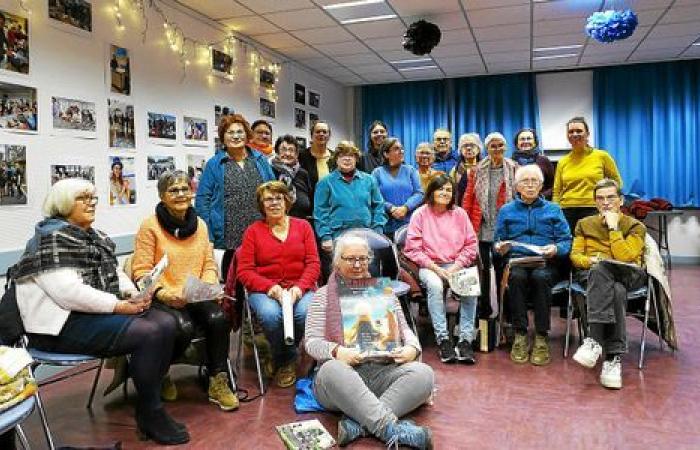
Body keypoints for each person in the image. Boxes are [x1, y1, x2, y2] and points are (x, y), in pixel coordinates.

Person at [10, 179, 187, 445]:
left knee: (167, 321)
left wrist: (131, 294)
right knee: (149, 332)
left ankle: (149, 401)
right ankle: (151, 410)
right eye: (84, 198)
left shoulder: (93, 236)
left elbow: (113, 273)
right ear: (64, 203)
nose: (92, 203)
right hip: (58, 328)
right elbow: (68, 293)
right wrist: (119, 306)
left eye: (93, 197)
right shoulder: (50, 239)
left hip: (89, 317)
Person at [305, 235, 434, 449]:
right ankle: (391, 430)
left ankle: (358, 425)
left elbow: (405, 329)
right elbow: (311, 342)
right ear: (337, 262)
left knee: (424, 374)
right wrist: (337, 351)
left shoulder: (384, 293)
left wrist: (412, 348)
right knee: (331, 369)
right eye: (350, 259)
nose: (358, 265)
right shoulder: (322, 295)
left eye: (363, 259)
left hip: (383, 372)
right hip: (343, 380)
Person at [131, 171, 237, 411]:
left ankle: (217, 380)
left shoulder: (200, 225)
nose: (180, 194)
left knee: (218, 318)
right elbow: (141, 271)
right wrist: (165, 294)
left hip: (194, 293)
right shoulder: (150, 226)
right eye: (173, 190)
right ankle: (159, 373)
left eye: (184, 189)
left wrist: (208, 287)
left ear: (192, 193)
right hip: (163, 296)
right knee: (183, 326)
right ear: (162, 196)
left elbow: (208, 264)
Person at [237, 181, 320, 388]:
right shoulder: (253, 231)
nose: (274, 203)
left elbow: (313, 263)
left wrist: (299, 288)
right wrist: (269, 288)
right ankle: (286, 359)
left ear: (286, 201)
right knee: (271, 315)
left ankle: (283, 354)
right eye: (268, 199)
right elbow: (245, 271)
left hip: (299, 287)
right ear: (261, 204)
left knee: (305, 312)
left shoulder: (303, 227)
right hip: (265, 289)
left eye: (278, 198)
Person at [571, 179, 646, 390]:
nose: (605, 202)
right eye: (600, 198)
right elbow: (576, 256)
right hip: (595, 276)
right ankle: (613, 358)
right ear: (595, 202)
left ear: (621, 200)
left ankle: (593, 339)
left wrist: (613, 227)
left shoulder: (635, 226)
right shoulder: (584, 224)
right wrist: (590, 261)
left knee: (607, 272)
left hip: (628, 274)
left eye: (611, 197)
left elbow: (626, 257)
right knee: (615, 289)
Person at [494, 165, 572, 366]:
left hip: (546, 262)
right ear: (517, 186)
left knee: (540, 277)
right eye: (525, 181)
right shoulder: (506, 210)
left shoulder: (554, 209)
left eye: (534, 181)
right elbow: (497, 241)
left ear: (541, 185)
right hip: (517, 260)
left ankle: (541, 335)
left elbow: (566, 241)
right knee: (517, 277)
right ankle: (520, 333)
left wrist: (556, 249)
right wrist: (500, 247)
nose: (530, 185)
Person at [404, 175, 479, 364]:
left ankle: (465, 341)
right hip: (429, 265)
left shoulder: (460, 214)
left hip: (456, 264)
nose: (445, 193)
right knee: (436, 286)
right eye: (440, 189)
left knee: (470, 287)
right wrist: (435, 268)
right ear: (431, 191)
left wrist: (456, 267)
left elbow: (471, 245)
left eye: (448, 190)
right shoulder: (420, 214)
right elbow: (412, 249)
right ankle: (443, 339)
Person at [195, 113, 274, 278]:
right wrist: (208, 236)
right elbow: (202, 202)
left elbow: (274, 191)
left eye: (240, 131)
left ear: (247, 135)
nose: (236, 136)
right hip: (228, 237)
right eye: (230, 132)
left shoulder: (260, 161)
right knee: (233, 284)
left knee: (262, 279)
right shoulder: (214, 164)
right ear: (223, 138)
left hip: (261, 232)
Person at [462, 132, 518, 319]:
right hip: (482, 227)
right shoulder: (476, 170)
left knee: (504, 271)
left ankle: (507, 313)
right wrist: (467, 226)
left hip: (505, 229)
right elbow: (468, 199)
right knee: (483, 272)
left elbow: (518, 196)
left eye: (500, 145)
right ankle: (484, 309)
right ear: (487, 149)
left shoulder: (514, 168)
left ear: (506, 147)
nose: (496, 149)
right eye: (492, 146)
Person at [314, 141, 387, 281]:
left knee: (367, 276)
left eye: (351, 155)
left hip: (366, 236)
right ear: (336, 159)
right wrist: (325, 236)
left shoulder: (369, 180)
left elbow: (379, 206)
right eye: (342, 155)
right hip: (338, 237)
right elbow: (320, 212)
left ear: (356, 159)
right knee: (341, 279)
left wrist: (377, 231)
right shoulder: (325, 183)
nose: (347, 158)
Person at [553, 117, 622, 232]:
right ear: (567, 136)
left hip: (594, 208)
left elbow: (617, 183)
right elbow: (557, 191)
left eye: (579, 131)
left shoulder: (602, 156)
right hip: (567, 211)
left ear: (587, 134)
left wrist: (610, 205)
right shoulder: (562, 161)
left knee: (593, 244)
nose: (575, 134)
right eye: (571, 132)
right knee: (571, 246)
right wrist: (555, 212)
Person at [371, 137, 423, 240]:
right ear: (386, 154)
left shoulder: (410, 170)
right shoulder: (377, 173)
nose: (401, 151)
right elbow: (374, 196)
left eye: (402, 148)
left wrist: (405, 207)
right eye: (396, 149)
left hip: (409, 225)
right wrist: (391, 208)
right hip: (385, 226)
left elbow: (419, 193)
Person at [270, 135, 313, 219]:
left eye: (291, 150)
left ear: (297, 154)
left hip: (300, 224)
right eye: (283, 149)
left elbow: (310, 198)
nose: (287, 153)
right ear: (277, 152)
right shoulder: (269, 171)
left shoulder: (303, 173)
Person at [512, 128, 555, 200]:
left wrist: (539, 197)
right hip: (517, 205)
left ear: (535, 142)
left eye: (529, 139)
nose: (525, 141)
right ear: (517, 143)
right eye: (522, 139)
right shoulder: (511, 162)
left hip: (541, 204)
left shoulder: (544, 161)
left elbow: (552, 185)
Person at [299, 120, 334, 189]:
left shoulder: (335, 157)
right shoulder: (301, 156)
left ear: (329, 136)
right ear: (312, 135)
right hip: (309, 198)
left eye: (324, 132)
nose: (321, 134)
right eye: (318, 132)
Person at [451, 133, 482, 206]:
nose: (468, 148)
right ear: (460, 150)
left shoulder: (484, 167)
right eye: (465, 146)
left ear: (478, 149)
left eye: (472, 145)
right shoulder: (455, 170)